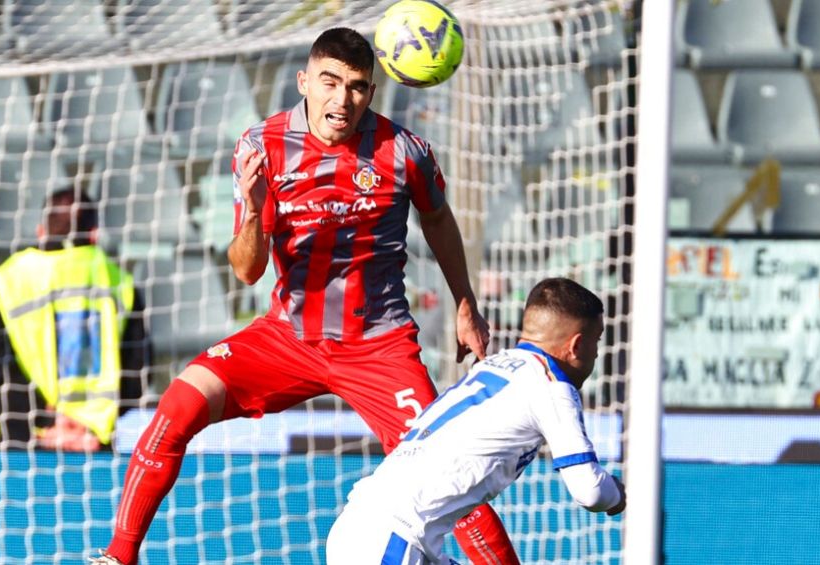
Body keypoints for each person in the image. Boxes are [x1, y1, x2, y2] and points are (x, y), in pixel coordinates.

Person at [91, 27, 519, 564]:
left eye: (357, 87)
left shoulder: (404, 151)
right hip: (287, 338)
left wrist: (464, 304)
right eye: (329, 82)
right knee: (178, 405)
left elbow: (437, 218)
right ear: (304, 82)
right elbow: (247, 271)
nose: (343, 99)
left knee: (446, 475)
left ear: (372, 92)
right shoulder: (261, 146)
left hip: (378, 346)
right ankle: (118, 556)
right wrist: (252, 212)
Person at [325, 277, 627, 564]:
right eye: (597, 341)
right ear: (576, 346)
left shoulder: (495, 365)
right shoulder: (550, 387)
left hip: (364, 527)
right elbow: (590, 490)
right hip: (392, 542)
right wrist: (619, 494)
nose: (596, 354)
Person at [0, 187, 150, 452]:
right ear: (94, 234)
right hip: (92, 440)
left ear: (41, 231)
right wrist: (81, 425)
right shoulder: (119, 282)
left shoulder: (6, 280)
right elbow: (137, 371)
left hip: (22, 441)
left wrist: (46, 422)